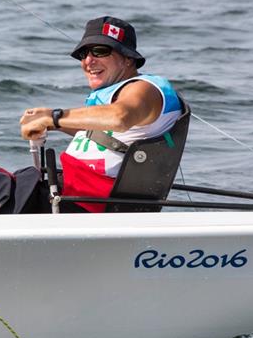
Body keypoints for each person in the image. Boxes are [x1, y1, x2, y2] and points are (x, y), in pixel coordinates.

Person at [19, 16, 182, 213]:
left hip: (86, 206)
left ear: (128, 59)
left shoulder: (146, 88)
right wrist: (51, 124)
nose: (89, 60)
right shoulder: (114, 93)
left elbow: (119, 118)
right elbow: (106, 130)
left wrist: (53, 116)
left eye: (100, 51)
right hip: (68, 193)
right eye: (84, 53)